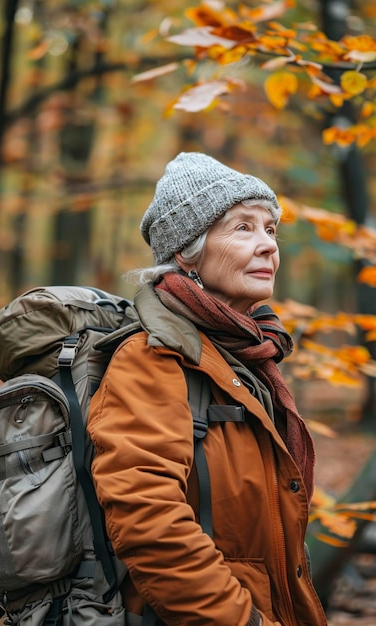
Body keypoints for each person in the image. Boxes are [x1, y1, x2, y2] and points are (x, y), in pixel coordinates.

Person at [87, 152, 327, 626]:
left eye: (270, 229)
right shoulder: (153, 359)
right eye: (243, 228)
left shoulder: (250, 357)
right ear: (186, 252)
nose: (268, 246)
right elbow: (149, 523)